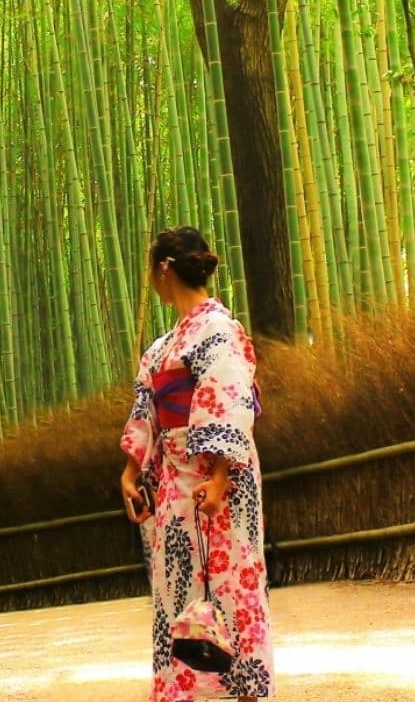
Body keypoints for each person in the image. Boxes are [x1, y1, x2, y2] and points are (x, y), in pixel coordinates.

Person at [119, 226, 274, 702]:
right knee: (176, 593)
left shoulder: (217, 329)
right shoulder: (160, 347)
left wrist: (221, 474)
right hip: (173, 484)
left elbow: (227, 401)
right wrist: (131, 472)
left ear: (163, 269)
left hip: (216, 480)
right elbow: (147, 409)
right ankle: (183, 693)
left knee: (232, 583)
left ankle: (243, 691)